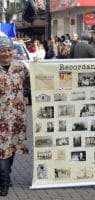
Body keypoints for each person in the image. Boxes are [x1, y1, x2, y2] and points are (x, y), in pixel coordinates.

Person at [0, 37, 28, 196]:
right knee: (2, 149)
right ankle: (3, 183)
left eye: (9, 50)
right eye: (3, 50)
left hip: (17, 117)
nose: (6, 53)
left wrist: (39, 64)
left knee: (12, 148)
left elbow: (38, 78)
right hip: (1, 118)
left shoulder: (20, 67)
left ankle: (6, 174)